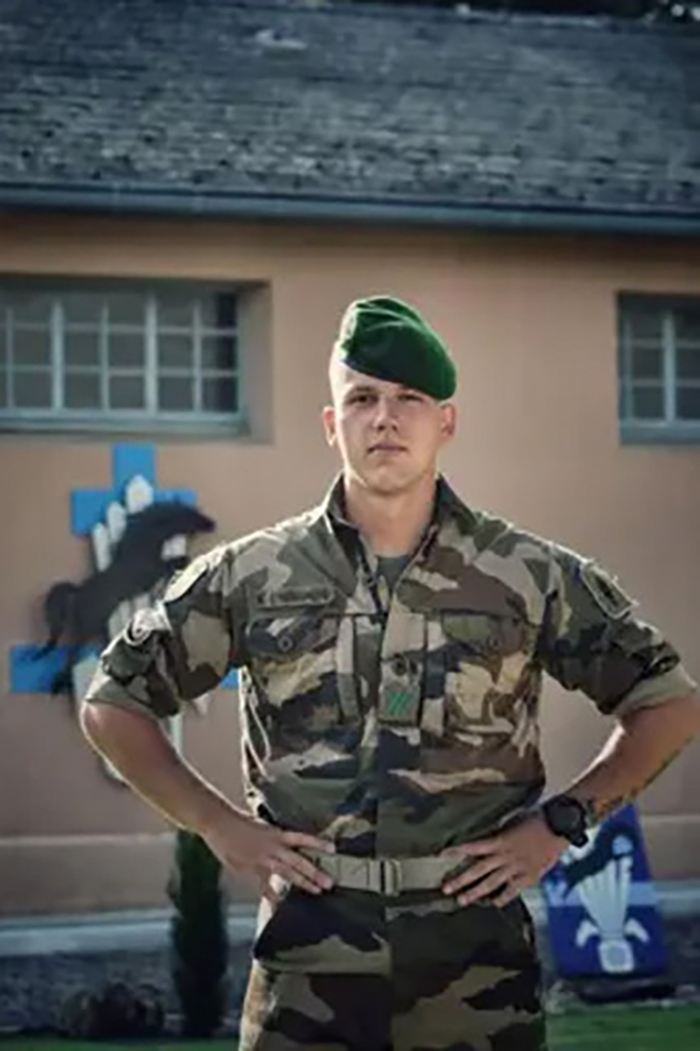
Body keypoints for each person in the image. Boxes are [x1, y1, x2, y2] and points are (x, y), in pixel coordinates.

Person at [80, 295, 700, 1051]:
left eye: (409, 399)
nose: (384, 419)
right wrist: (216, 824)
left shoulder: (525, 574)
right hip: (308, 960)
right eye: (362, 399)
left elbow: (667, 703)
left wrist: (561, 822)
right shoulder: (253, 576)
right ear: (330, 423)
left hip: (476, 967)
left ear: (447, 422)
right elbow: (114, 703)